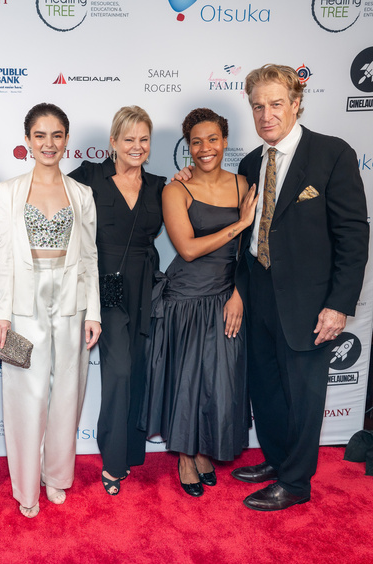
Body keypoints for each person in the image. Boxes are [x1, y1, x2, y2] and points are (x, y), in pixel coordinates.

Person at [177, 64, 369, 510]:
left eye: (276, 104)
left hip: (309, 305)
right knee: (265, 391)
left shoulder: (332, 154)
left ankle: (297, 483)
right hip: (258, 300)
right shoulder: (249, 164)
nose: (266, 114)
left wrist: (339, 304)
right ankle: (278, 460)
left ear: (297, 103)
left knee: (303, 397)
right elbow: (244, 237)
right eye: (258, 105)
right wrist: (241, 292)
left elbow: (353, 238)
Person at [0, 103, 101, 518]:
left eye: (57, 135)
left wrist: (94, 313)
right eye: (40, 135)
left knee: (67, 393)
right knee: (26, 393)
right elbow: (3, 257)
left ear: (67, 140)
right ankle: (25, 487)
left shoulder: (82, 193)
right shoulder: (9, 190)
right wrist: (1, 313)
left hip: (71, 298)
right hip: (23, 301)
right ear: (27, 141)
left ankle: (56, 476)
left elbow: (90, 257)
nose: (49, 143)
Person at [140, 108, 257, 497]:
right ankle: (185, 456)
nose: (205, 148)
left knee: (218, 380)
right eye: (196, 141)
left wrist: (239, 292)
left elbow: (249, 252)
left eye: (212, 139)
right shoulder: (176, 189)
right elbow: (187, 249)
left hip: (226, 296)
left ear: (224, 142)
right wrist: (239, 224)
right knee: (186, 379)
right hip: (186, 297)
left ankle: (204, 448)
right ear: (186, 146)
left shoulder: (244, 185)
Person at [69, 106, 167, 495]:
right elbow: (46, 192)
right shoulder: (90, 176)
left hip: (145, 285)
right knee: (119, 371)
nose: (137, 147)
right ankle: (111, 461)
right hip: (103, 285)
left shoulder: (161, 184)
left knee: (139, 372)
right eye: (129, 139)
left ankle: (129, 455)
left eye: (144, 139)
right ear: (113, 142)